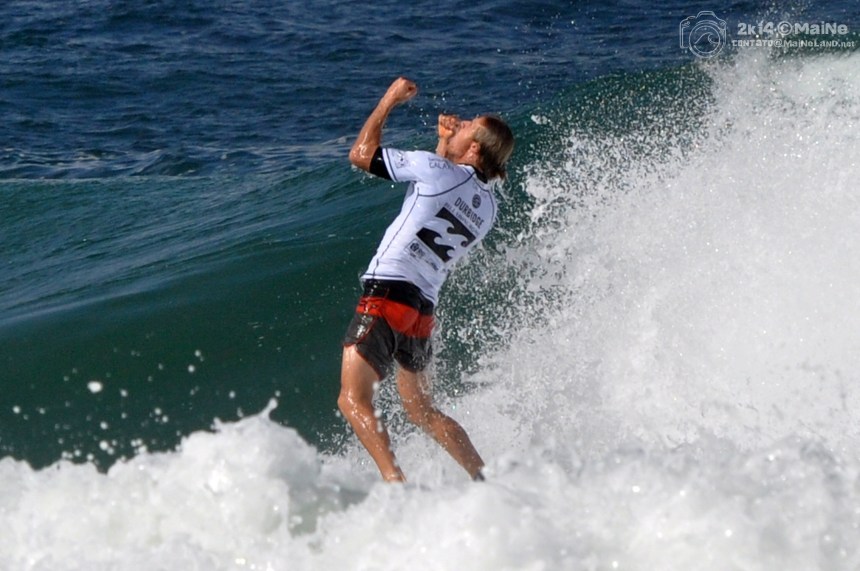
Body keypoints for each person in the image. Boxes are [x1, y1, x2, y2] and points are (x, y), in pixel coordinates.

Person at [338, 77, 514, 482]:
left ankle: (395, 483)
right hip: (420, 312)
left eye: (467, 126)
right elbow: (438, 194)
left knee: (352, 400)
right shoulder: (487, 208)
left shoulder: (436, 170)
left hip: (388, 293)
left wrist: (389, 100)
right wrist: (444, 144)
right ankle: (484, 481)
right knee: (422, 411)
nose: (460, 123)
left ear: (474, 149)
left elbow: (360, 154)